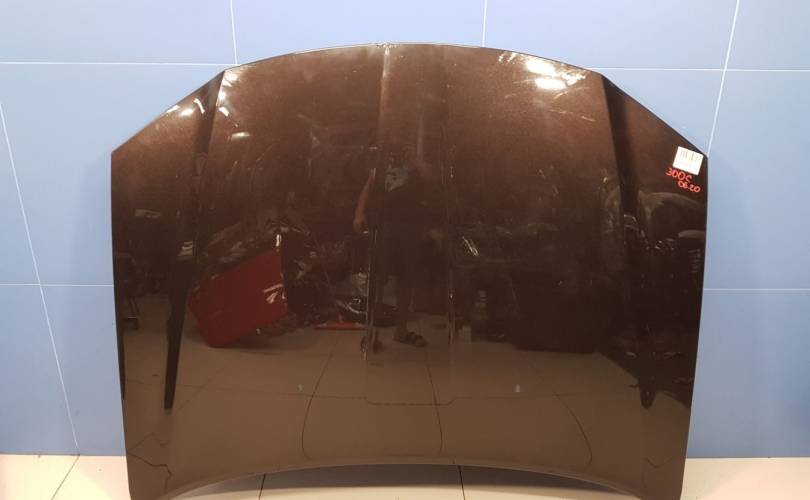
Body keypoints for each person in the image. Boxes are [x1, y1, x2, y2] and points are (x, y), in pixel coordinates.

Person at [353, 144, 436, 347]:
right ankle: (372, 330)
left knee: (406, 277)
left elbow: (432, 182)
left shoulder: (418, 167)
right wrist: (359, 213)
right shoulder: (383, 166)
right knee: (378, 277)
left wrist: (415, 161)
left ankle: (401, 330)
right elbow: (369, 187)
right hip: (385, 224)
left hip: (411, 226)